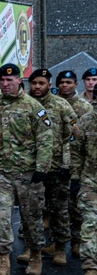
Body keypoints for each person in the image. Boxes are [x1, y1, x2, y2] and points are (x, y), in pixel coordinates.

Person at [0, 63, 54, 275]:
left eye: (10, 80)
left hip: (28, 173)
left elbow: (45, 140)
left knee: (31, 218)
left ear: (20, 81)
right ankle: (3, 262)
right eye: (2, 80)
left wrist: (42, 168)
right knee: (1, 216)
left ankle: (36, 256)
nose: (6, 83)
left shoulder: (34, 107)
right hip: (1, 171)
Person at [25, 69, 76, 267]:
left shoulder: (61, 105)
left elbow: (73, 136)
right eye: (34, 83)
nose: (37, 87)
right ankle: (32, 247)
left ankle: (60, 247)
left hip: (55, 167)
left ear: (49, 84)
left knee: (58, 209)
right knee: (31, 209)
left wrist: (67, 162)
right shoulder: (25, 104)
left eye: (42, 83)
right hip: (30, 166)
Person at [55, 69, 92, 258]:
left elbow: (80, 142)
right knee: (57, 204)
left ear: (76, 84)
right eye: (61, 82)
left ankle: (77, 242)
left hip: (76, 163)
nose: (64, 86)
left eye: (68, 83)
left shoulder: (85, 108)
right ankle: (59, 243)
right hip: (55, 161)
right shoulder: (51, 105)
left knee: (76, 205)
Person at [75, 108, 97, 275]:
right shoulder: (85, 121)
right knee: (90, 222)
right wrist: (75, 177)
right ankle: (91, 269)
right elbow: (75, 150)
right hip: (91, 181)